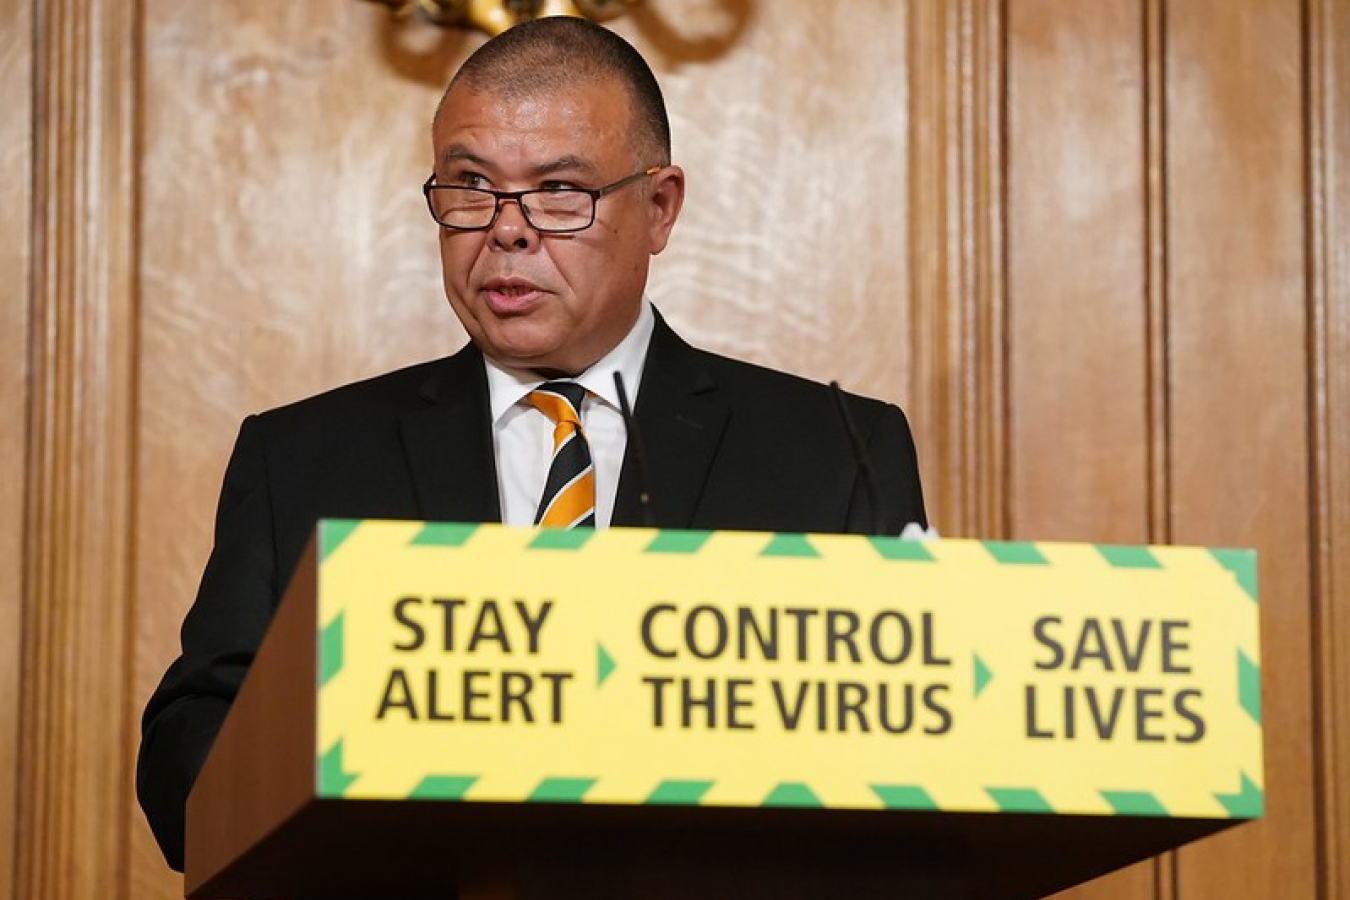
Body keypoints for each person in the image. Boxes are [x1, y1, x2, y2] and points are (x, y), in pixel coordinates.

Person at [137, 15, 927, 873]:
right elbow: (188, 768)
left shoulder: (834, 455)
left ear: (659, 207)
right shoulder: (300, 459)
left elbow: (906, 772)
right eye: (470, 186)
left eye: (559, 191)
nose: (507, 230)